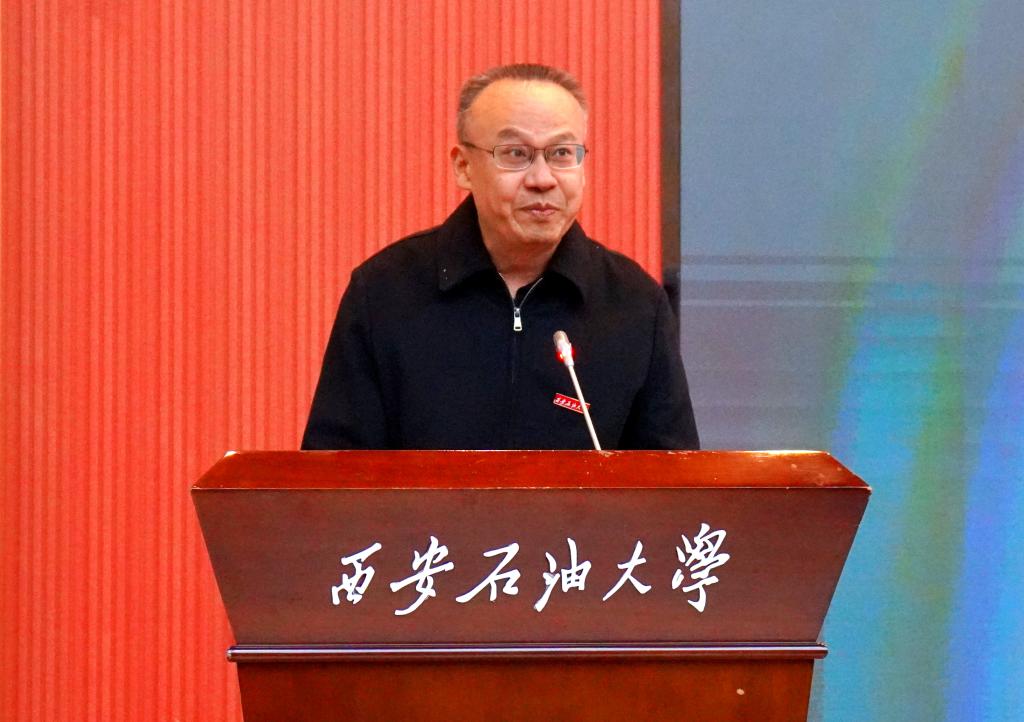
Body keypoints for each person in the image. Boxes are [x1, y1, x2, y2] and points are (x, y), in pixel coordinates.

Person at [302, 63, 698, 450]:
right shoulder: (385, 293)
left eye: (562, 153)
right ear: (463, 167)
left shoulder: (634, 304)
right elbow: (332, 474)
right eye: (515, 154)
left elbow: (674, 481)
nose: (542, 179)